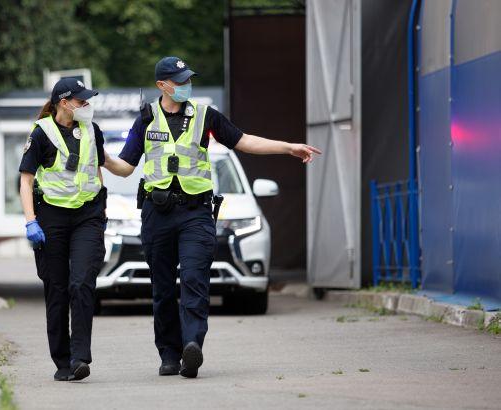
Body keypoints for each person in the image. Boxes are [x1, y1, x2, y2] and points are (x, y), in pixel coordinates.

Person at [103, 57, 321, 379]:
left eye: (187, 79)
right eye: (179, 81)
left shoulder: (205, 116)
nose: (185, 85)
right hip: (157, 213)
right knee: (163, 288)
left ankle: (192, 345)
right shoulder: (146, 119)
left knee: (194, 278)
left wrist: (286, 147)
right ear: (162, 85)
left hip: (196, 213)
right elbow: (126, 166)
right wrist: (103, 158)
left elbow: (244, 141)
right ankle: (168, 353)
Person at [19, 77, 107, 382]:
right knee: (56, 291)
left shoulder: (92, 131)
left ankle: (80, 356)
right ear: (63, 103)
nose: (87, 105)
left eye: (87, 101)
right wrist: (31, 220)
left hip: (87, 216)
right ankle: (62, 361)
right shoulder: (41, 134)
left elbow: (98, 168)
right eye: (81, 101)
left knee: (82, 283)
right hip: (51, 219)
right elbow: (26, 180)